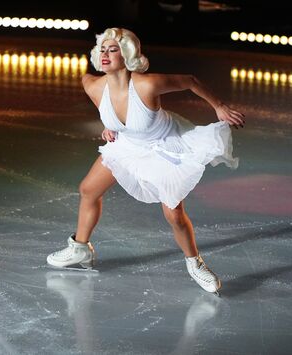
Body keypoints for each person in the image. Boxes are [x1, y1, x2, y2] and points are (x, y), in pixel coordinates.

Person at [46, 27, 245, 294]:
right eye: (102, 49)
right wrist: (112, 128)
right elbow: (114, 115)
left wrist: (219, 106)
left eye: (113, 49)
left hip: (164, 147)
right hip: (128, 146)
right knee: (88, 190)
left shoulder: (147, 84)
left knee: (174, 215)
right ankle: (80, 248)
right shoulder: (92, 85)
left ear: (127, 55)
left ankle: (195, 263)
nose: (105, 54)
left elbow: (190, 80)